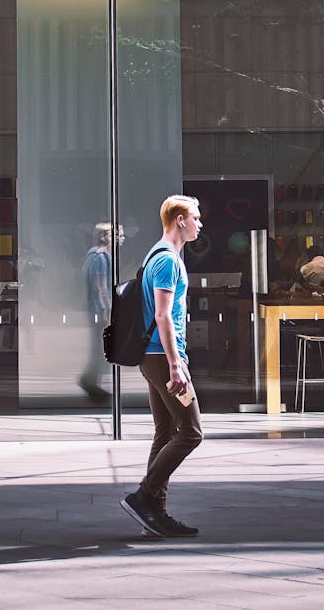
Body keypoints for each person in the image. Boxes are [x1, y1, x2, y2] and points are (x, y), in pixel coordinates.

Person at [120, 195, 203, 540]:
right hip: (162, 357)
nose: (200, 224)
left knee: (165, 432)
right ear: (180, 220)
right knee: (192, 431)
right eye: (196, 218)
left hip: (151, 357)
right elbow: (163, 314)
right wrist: (175, 365)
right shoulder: (168, 261)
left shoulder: (154, 255)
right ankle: (143, 497)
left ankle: (154, 512)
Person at [77, 222, 121, 401]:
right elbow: (100, 287)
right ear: (106, 237)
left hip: (95, 309)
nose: (121, 238)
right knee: (100, 348)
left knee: (98, 348)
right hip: (99, 310)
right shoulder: (101, 258)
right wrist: (107, 311)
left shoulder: (93, 256)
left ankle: (91, 380)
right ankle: (90, 380)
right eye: (117, 235)